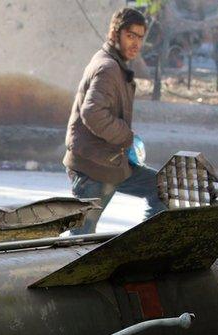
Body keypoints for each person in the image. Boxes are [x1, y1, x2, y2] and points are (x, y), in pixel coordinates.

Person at [64, 7, 166, 234]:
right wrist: (126, 135)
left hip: (110, 163)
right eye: (130, 36)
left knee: (161, 188)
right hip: (94, 168)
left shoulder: (114, 64)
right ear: (114, 34)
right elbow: (92, 113)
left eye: (140, 37)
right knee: (79, 244)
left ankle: (144, 247)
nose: (136, 43)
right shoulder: (108, 68)